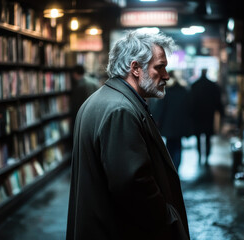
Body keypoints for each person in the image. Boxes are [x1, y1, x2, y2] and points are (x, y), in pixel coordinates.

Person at [66, 30, 189, 240]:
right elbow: (133, 186)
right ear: (136, 68)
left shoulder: (101, 100)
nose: (166, 75)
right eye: (159, 67)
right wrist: (168, 218)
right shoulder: (120, 110)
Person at [150, 70, 192, 171]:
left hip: (168, 124)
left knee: (169, 147)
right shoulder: (184, 91)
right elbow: (189, 109)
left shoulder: (166, 92)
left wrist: (156, 120)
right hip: (180, 124)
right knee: (178, 146)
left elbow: (160, 108)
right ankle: (176, 168)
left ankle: (170, 167)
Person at [189, 68, 224, 166]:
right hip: (209, 114)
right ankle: (207, 155)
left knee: (198, 137)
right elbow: (218, 101)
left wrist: (190, 114)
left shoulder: (194, 85)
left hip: (197, 115)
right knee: (208, 137)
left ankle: (200, 155)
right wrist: (222, 113)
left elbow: (190, 102)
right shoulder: (212, 85)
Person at [69, 64, 99, 130]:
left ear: (75, 74)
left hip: (83, 118)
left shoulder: (80, 85)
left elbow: (77, 105)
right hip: (95, 116)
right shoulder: (95, 82)